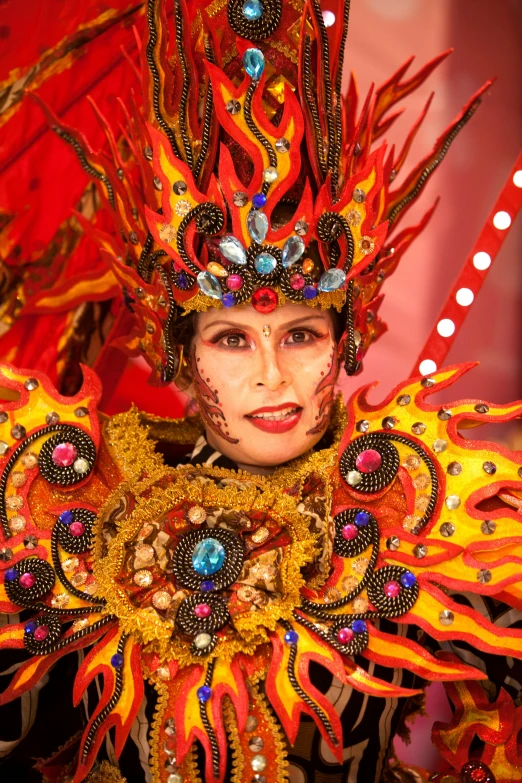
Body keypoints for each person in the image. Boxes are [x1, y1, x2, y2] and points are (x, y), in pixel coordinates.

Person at [1, 1, 521, 782]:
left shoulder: (422, 510)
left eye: (302, 335)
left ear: (346, 339)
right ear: (175, 352)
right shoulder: (64, 504)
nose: (272, 376)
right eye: (233, 338)